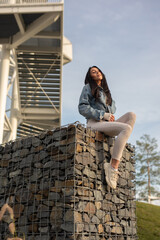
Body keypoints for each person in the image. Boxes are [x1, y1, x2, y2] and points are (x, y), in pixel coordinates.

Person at [78, 66, 136, 189]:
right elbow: (82, 108)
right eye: (94, 72)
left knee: (131, 115)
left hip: (105, 125)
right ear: (90, 76)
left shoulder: (105, 92)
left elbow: (113, 109)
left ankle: (116, 149)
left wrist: (108, 109)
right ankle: (112, 167)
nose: (97, 73)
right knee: (126, 129)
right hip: (94, 123)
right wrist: (102, 114)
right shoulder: (88, 88)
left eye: (98, 71)